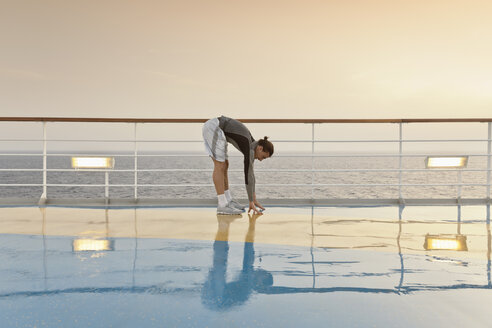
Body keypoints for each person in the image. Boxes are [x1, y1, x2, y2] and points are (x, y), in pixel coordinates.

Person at [202, 115, 274, 215]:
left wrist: (253, 199)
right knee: (219, 165)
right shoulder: (248, 147)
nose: (261, 160)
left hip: (220, 131)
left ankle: (228, 200)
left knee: (225, 165)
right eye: (263, 157)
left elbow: (251, 175)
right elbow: (248, 175)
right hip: (214, 127)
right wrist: (251, 202)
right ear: (260, 148)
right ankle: (222, 205)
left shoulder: (252, 146)